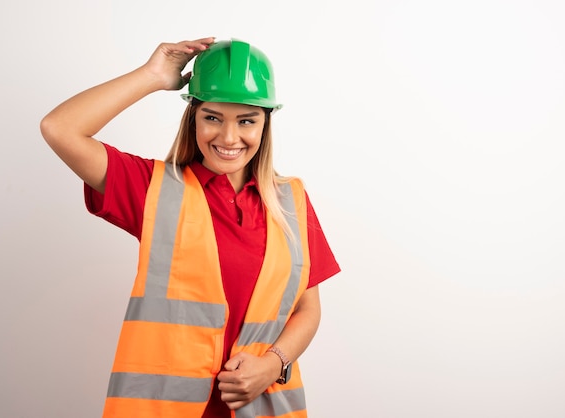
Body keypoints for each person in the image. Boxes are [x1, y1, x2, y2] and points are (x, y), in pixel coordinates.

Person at [40, 36, 340, 418]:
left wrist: (272, 364)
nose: (229, 138)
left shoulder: (291, 201)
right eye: (212, 117)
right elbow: (59, 128)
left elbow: (308, 310)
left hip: (263, 406)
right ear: (192, 117)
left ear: (265, 124)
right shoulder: (153, 189)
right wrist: (151, 75)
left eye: (246, 120)